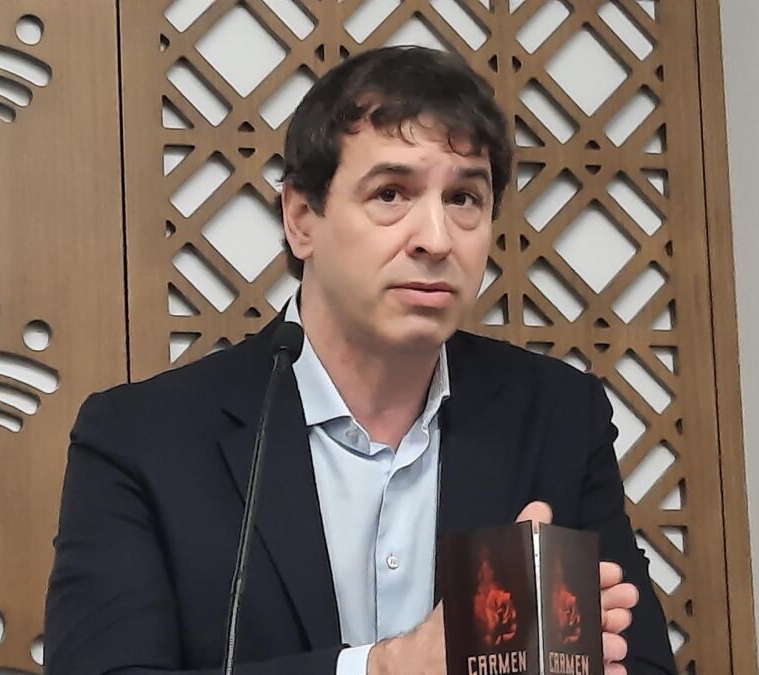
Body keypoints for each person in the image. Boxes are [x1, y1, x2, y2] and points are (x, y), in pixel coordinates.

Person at [45, 46, 676, 675]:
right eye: (391, 193)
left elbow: (639, 664)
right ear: (301, 218)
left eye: (464, 199)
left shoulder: (557, 417)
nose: (436, 239)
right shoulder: (142, 439)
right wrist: (387, 669)